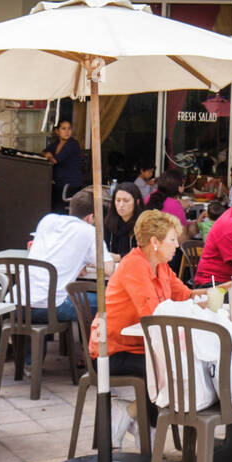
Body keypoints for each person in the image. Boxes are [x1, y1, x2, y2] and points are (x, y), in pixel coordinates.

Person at [96, 209, 192, 444]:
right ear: (154, 242)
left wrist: (220, 292)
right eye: (172, 240)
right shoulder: (135, 266)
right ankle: (136, 422)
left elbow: (187, 296)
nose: (177, 246)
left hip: (143, 348)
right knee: (176, 370)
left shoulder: (161, 266)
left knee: (185, 365)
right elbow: (152, 318)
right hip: (114, 352)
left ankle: (141, 428)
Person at [27, 186, 111, 323]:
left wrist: (78, 263)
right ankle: (90, 344)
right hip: (52, 305)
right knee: (108, 302)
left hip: (19, 302)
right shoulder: (89, 232)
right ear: (91, 217)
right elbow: (108, 269)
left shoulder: (48, 220)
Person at [42, 119, 83, 212]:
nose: (67, 131)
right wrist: (47, 154)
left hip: (69, 185)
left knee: (59, 210)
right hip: (59, 183)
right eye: (63, 128)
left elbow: (55, 160)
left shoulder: (72, 144)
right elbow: (43, 152)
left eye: (69, 128)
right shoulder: (57, 143)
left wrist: (49, 156)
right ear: (57, 131)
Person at [145, 169, 197, 240]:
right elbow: (182, 237)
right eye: (183, 184)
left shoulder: (148, 197)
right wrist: (192, 232)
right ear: (179, 187)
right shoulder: (174, 205)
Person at [105, 183, 143, 257]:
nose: (121, 205)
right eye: (118, 200)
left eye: (126, 201)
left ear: (137, 202)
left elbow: (144, 253)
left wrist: (119, 257)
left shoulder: (144, 224)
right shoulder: (108, 222)